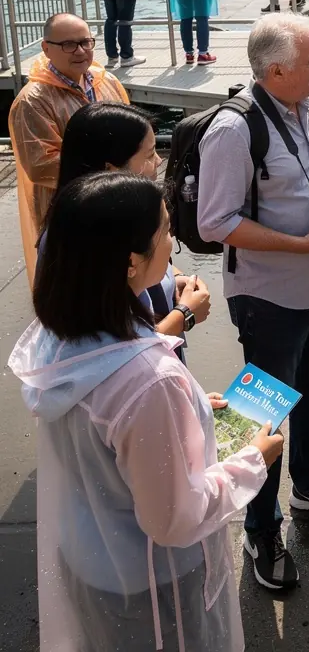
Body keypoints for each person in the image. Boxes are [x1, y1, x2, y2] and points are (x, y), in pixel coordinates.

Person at [7, 172, 281, 652]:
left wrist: (190, 414)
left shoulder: (61, 337)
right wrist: (253, 460)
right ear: (131, 261)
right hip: (153, 586)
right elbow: (174, 518)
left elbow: (102, 444)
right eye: (164, 230)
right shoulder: (149, 378)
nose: (172, 240)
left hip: (90, 558)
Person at [196, 14, 309, 591]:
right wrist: (300, 244)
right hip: (270, 297)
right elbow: (216, 221)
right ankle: (259, 527)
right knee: (261, 411)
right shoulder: (235, 128)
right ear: (275, 70)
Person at [48, 102, 214, 360]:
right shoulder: (80, 239)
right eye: (148, 155)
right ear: (110, 169)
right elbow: (112, 354)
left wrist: (173, 279)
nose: (159, 161)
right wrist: (184, 316)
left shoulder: (116, 216)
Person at [9, 13, 129, 279]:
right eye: (68, 45)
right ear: (46, 48)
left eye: (86, 42)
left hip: (116, 200)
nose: (80, 51)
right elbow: (41, 165)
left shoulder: (104, 80)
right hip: (69, 211)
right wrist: (109, 168)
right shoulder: (33, 101)